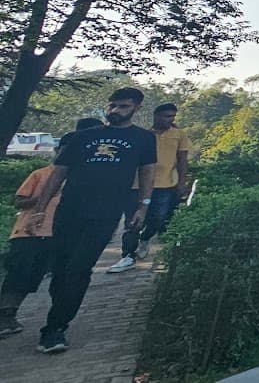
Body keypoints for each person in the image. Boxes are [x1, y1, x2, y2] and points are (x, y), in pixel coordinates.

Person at [24, 87, 157, 354]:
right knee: (60, 270)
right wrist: (40, 209)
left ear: (136, 108)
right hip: (69, 211)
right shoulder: (81, 138)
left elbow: (147, 173)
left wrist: (143, 207)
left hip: (105, 215)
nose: (116, 111)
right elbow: (58, 174)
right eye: (113, 106)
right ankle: (58, 311)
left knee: (79, 269)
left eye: (123, 107)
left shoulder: (143, 139)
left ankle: (55, 328)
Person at [0, 118, 103, 337]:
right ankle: (5, 316)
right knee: (19, 275)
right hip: (29, 233)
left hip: (60, 234)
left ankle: (51, 323)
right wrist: (45, 198)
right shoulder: (40, 174)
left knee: (49, 277)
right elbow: (19, 201)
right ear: (57, 150)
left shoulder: (87, 177)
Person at [109, 102, 189, 272]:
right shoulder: (144, 135)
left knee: (158, 218)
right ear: (157, 116)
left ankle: (145, 237)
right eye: (167, 116)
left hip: (165, 183)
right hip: (137, 184)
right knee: (132, 220)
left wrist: (182, 182)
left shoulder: (179, 135)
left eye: (173, 117)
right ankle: (128, 255)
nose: (170, 120)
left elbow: (182, 160)